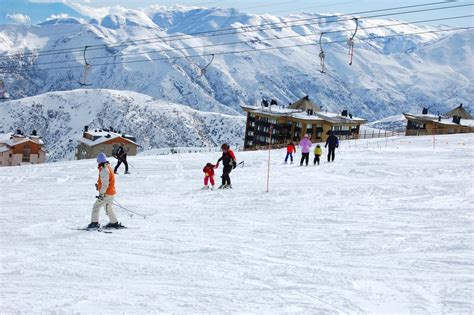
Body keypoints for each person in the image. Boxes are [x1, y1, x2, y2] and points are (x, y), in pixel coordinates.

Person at [88, 153, 124, 229]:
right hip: (111, 192)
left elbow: (105, 183)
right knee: (108, 208)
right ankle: (114, 222)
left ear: (99, 161)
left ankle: (94, 223)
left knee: (96, 207)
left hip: (106, 193)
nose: (97, 163)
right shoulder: (108, 167)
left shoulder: (104, 170)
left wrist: (101, 193)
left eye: (98, 161)